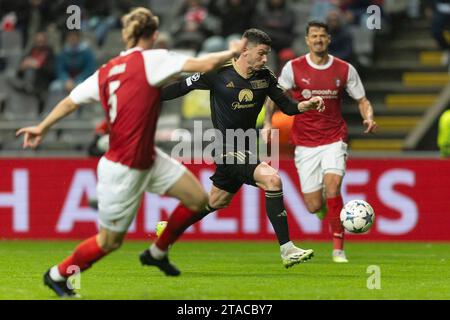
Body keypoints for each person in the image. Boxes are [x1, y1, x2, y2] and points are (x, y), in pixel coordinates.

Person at [16, 7, 247, 298]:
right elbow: (204, 63)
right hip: (123, 168)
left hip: (147, 158)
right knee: (109, 242)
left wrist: (42, 127)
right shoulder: (153, 58)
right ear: (152, 34)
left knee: (198, 200)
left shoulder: (107, 69)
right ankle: (58, 274)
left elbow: (70, 101)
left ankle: (157, 252)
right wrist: (232, 50)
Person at [161, 28, 325, 268]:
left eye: (267, 54)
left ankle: (169, 229)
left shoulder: (266, 77)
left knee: (216, 201)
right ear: (245, 50)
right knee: (273, 180)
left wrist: (307, 105)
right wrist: (145, 98)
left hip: (247, 149)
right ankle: (287, 250)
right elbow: (180, 87)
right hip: (226, 148)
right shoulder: (217, 72)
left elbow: (288, 107)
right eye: (261, 53)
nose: (265, 59)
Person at [264, 21, 377, 263]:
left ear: (328, 39)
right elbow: (273, 96)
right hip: (304, 143)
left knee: (334, 187)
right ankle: (326, 209)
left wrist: (368, 117)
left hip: (334, 138)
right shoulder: (293, 68)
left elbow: (362, 99)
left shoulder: (344, 69)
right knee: (314, 206)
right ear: (307, 40)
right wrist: (267, 123)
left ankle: (338, 249)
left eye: (322, 36)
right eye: (314, 36)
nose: (318, 40)